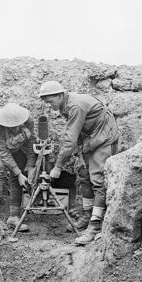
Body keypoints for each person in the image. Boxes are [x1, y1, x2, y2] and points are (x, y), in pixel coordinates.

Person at [39, 81, 119, 245]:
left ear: (60, 95)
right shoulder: (65, 105)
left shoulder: (75, 106)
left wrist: (58, 167)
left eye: (50, 101)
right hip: (89, 137)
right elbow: (77, 133)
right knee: (83, 173)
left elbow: (69, 140)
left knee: (97, 179)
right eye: (46, 102)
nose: (49, 105)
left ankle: (95, 226)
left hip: (104, 135)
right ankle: (87, 214)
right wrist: (79, 153)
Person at [0, 102, 36, 231]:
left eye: (17, 126)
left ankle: (13, 217)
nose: (14, 129)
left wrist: (30, 166)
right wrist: (19, 173)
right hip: (0, 149)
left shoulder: (28, 119)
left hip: (19, 147)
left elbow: (31, 142)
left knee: (18, 175)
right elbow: (3, 152)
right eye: (11, 127)